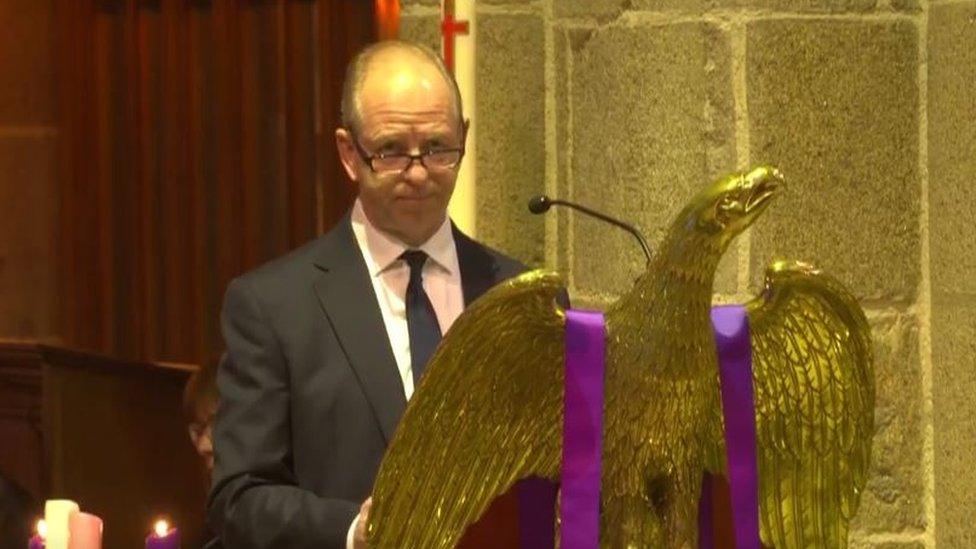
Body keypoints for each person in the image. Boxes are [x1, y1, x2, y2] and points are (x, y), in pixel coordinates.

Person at [207, 40, 527, 548]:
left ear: (465, 138)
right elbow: (240, 498)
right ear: (348, 154)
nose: (418, 172)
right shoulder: (274, 306)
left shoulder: (519, 297)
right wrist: (356, 531)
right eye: (392, 151)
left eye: (439, 147)